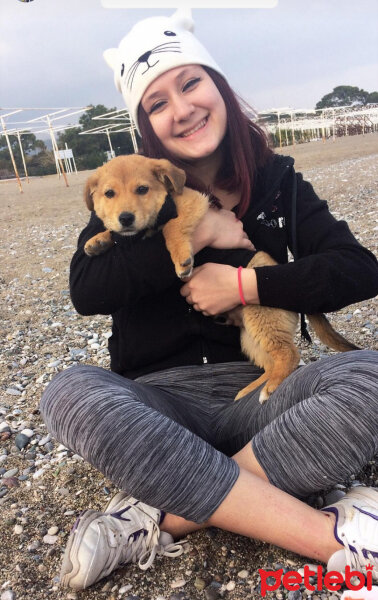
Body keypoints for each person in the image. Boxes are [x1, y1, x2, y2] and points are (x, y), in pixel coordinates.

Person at [40, 8, 378, 592]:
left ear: (218, 86)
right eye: (157, 102)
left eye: (191, 82)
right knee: (68, 391)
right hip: (157, 406)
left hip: (260, 399)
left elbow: (358, 270)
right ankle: (322, 530)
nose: (183, 107)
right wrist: (201, 232)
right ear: (146, 123)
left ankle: (155, 518)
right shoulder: (133, 184)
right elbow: (85, 291)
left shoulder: (278, 183)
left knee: (372, 373)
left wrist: (248, 284)